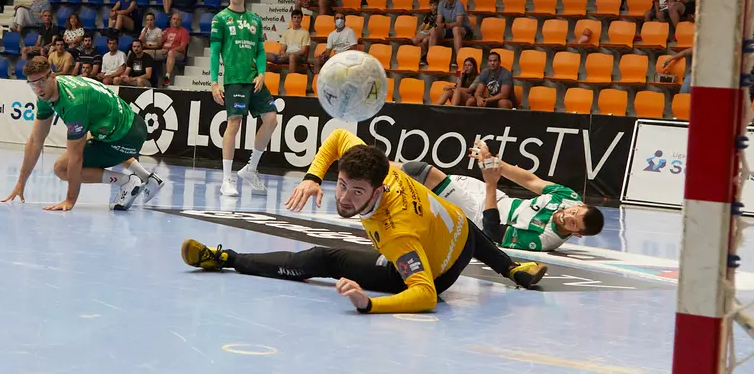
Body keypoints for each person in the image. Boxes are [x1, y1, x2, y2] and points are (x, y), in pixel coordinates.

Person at [181, 129, 547, 313]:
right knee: (459, 221)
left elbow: (426, 296)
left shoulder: (396, 235)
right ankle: (513, 269)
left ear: (378, 192)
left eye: (356, 192)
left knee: (323, 259)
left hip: (437, 269)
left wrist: (369, 305)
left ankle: (225, 258)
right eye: (341, 185)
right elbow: (339, 136)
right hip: (459, 232)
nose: (343, 197)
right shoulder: (377, 167)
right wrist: (312, 176)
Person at [1, 57, 164, 212]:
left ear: (52, 76)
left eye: (41, 82)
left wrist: (70, 200)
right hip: (130, 124)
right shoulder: (50, 92)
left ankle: (128, 181)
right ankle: (148, 177)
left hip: (126, 137)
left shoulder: (74, 104)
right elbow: (36, 140)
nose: (38, 89)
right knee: (92, 137)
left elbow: (76, 158)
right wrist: (21, 182)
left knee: (61, 168)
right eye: (32, 84)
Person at [397, 140, 605, 252]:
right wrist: (492, 163)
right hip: (499, 197)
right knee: (420, 181)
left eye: (573, 223)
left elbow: (493, 232)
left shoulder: (544, 240)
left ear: (575, 234)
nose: (568, 216)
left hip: (481, 216)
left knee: (422, 172)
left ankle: (370, 165)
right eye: (574, 212)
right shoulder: (568, 197)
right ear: (579, 204)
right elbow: (530, 181)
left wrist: (490, 184)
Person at [210, 0, 278, 197]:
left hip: (254, 79)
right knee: (234, 123)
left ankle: (250, 168)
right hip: (234, 79)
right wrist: (214, 82)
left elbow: (260, 50)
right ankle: (226, 180)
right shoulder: (220, 19)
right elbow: (214, 52)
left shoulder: (255, 20)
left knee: (271, 119)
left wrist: (261, 73)